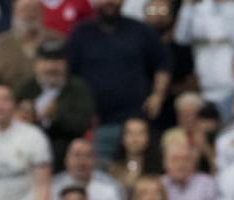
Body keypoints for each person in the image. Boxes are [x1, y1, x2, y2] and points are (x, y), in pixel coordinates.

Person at [66, 0, 170, 161]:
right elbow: (69, 74)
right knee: (101, 176)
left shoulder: (140, 30)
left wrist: (158, 94)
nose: (109, 2)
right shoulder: (81, 33)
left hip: (135, 121)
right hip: (96, 124)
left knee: (138, 172)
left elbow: (163, 62)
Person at [16, 40, 96, 170]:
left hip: (67, 157)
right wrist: (32, 118)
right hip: (29, 157)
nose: (51, 67)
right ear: (36, 64)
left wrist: (56, 115)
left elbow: (83, 123)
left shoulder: (78, 88)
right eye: (46, 61)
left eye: (57, 61)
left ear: (66, 64)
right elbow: (16, 122)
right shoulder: (26, 88)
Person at [51, 138, 124, 200]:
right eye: (77, 155)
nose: (82, 162)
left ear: (95, 160)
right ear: (66, 159)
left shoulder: (111, 187)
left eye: (87, 156)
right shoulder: (52, 187)